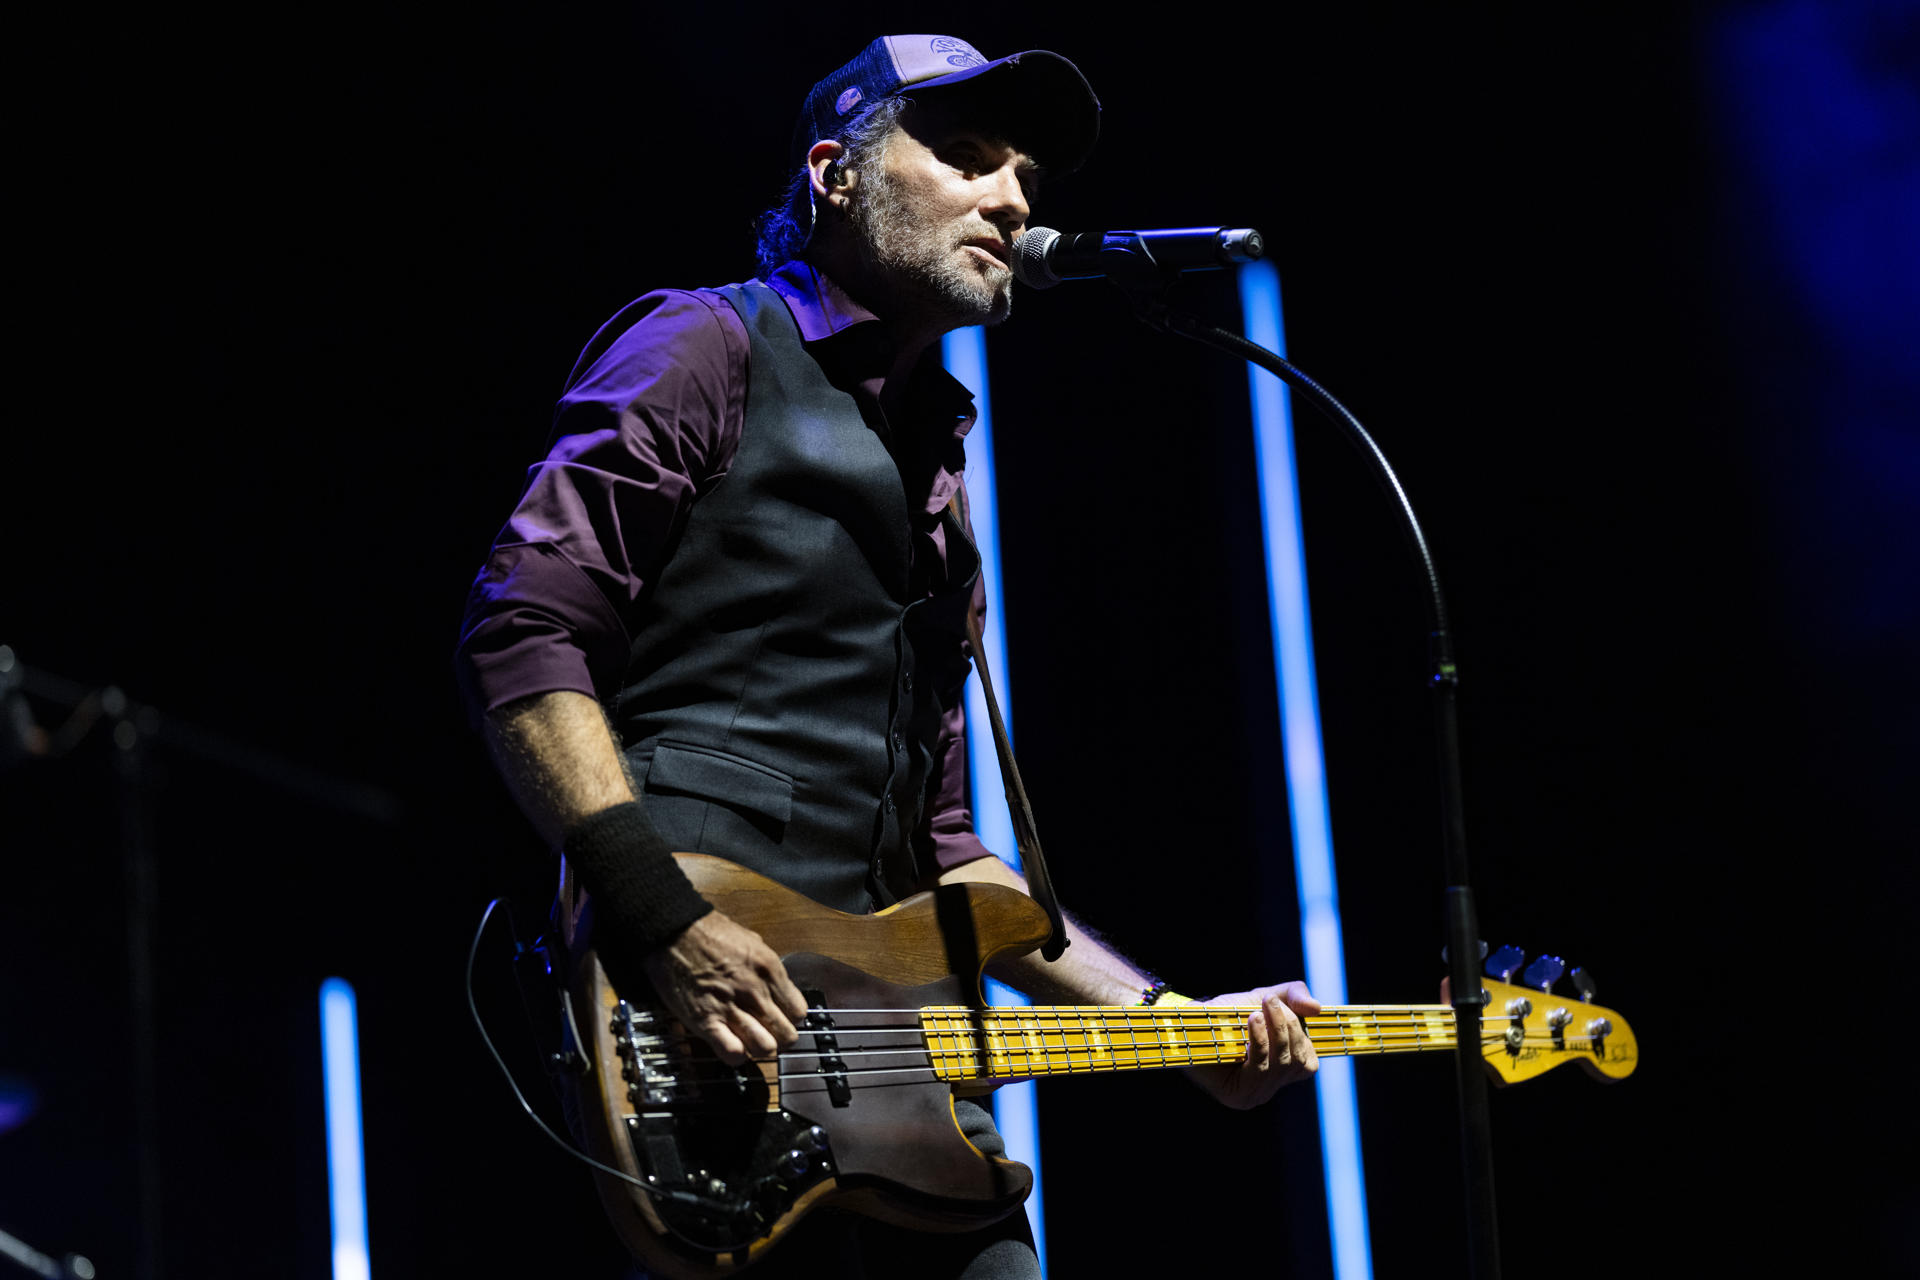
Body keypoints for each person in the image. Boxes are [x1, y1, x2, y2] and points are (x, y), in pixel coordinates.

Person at [456, 34, 1320, 1279]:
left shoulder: (938, 477)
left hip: (907, 1084)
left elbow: (951, 853)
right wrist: (662, 913)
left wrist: (1177, 1027)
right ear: (834, 173)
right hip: (705, 1046)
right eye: (967, 156)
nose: (1014, 199)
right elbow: (523, 626)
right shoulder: (703, 349)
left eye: (1024, 171)